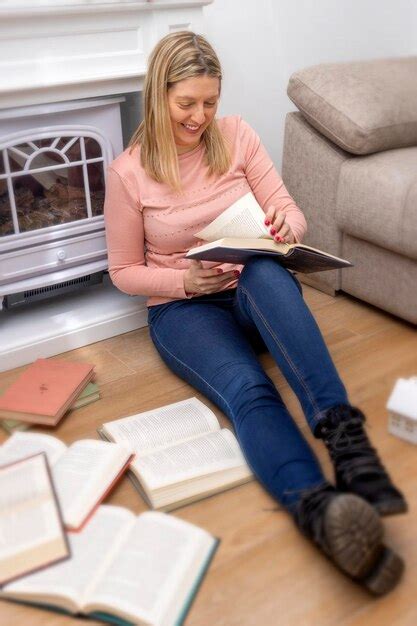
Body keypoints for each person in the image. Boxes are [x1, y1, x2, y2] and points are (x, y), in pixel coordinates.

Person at [104, 31, 407, 595]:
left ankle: (348, 444)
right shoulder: (128, 173)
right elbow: (122, 270)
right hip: (184, 310)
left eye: (210, 102)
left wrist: (288, 227)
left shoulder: (237, 136)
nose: (200, 117)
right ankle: (319, 511)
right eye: (186, 104)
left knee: (268, 270)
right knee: (249, 390)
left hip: (254, 294)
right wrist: (181, 279)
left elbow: (288, 210)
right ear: (157, 95)